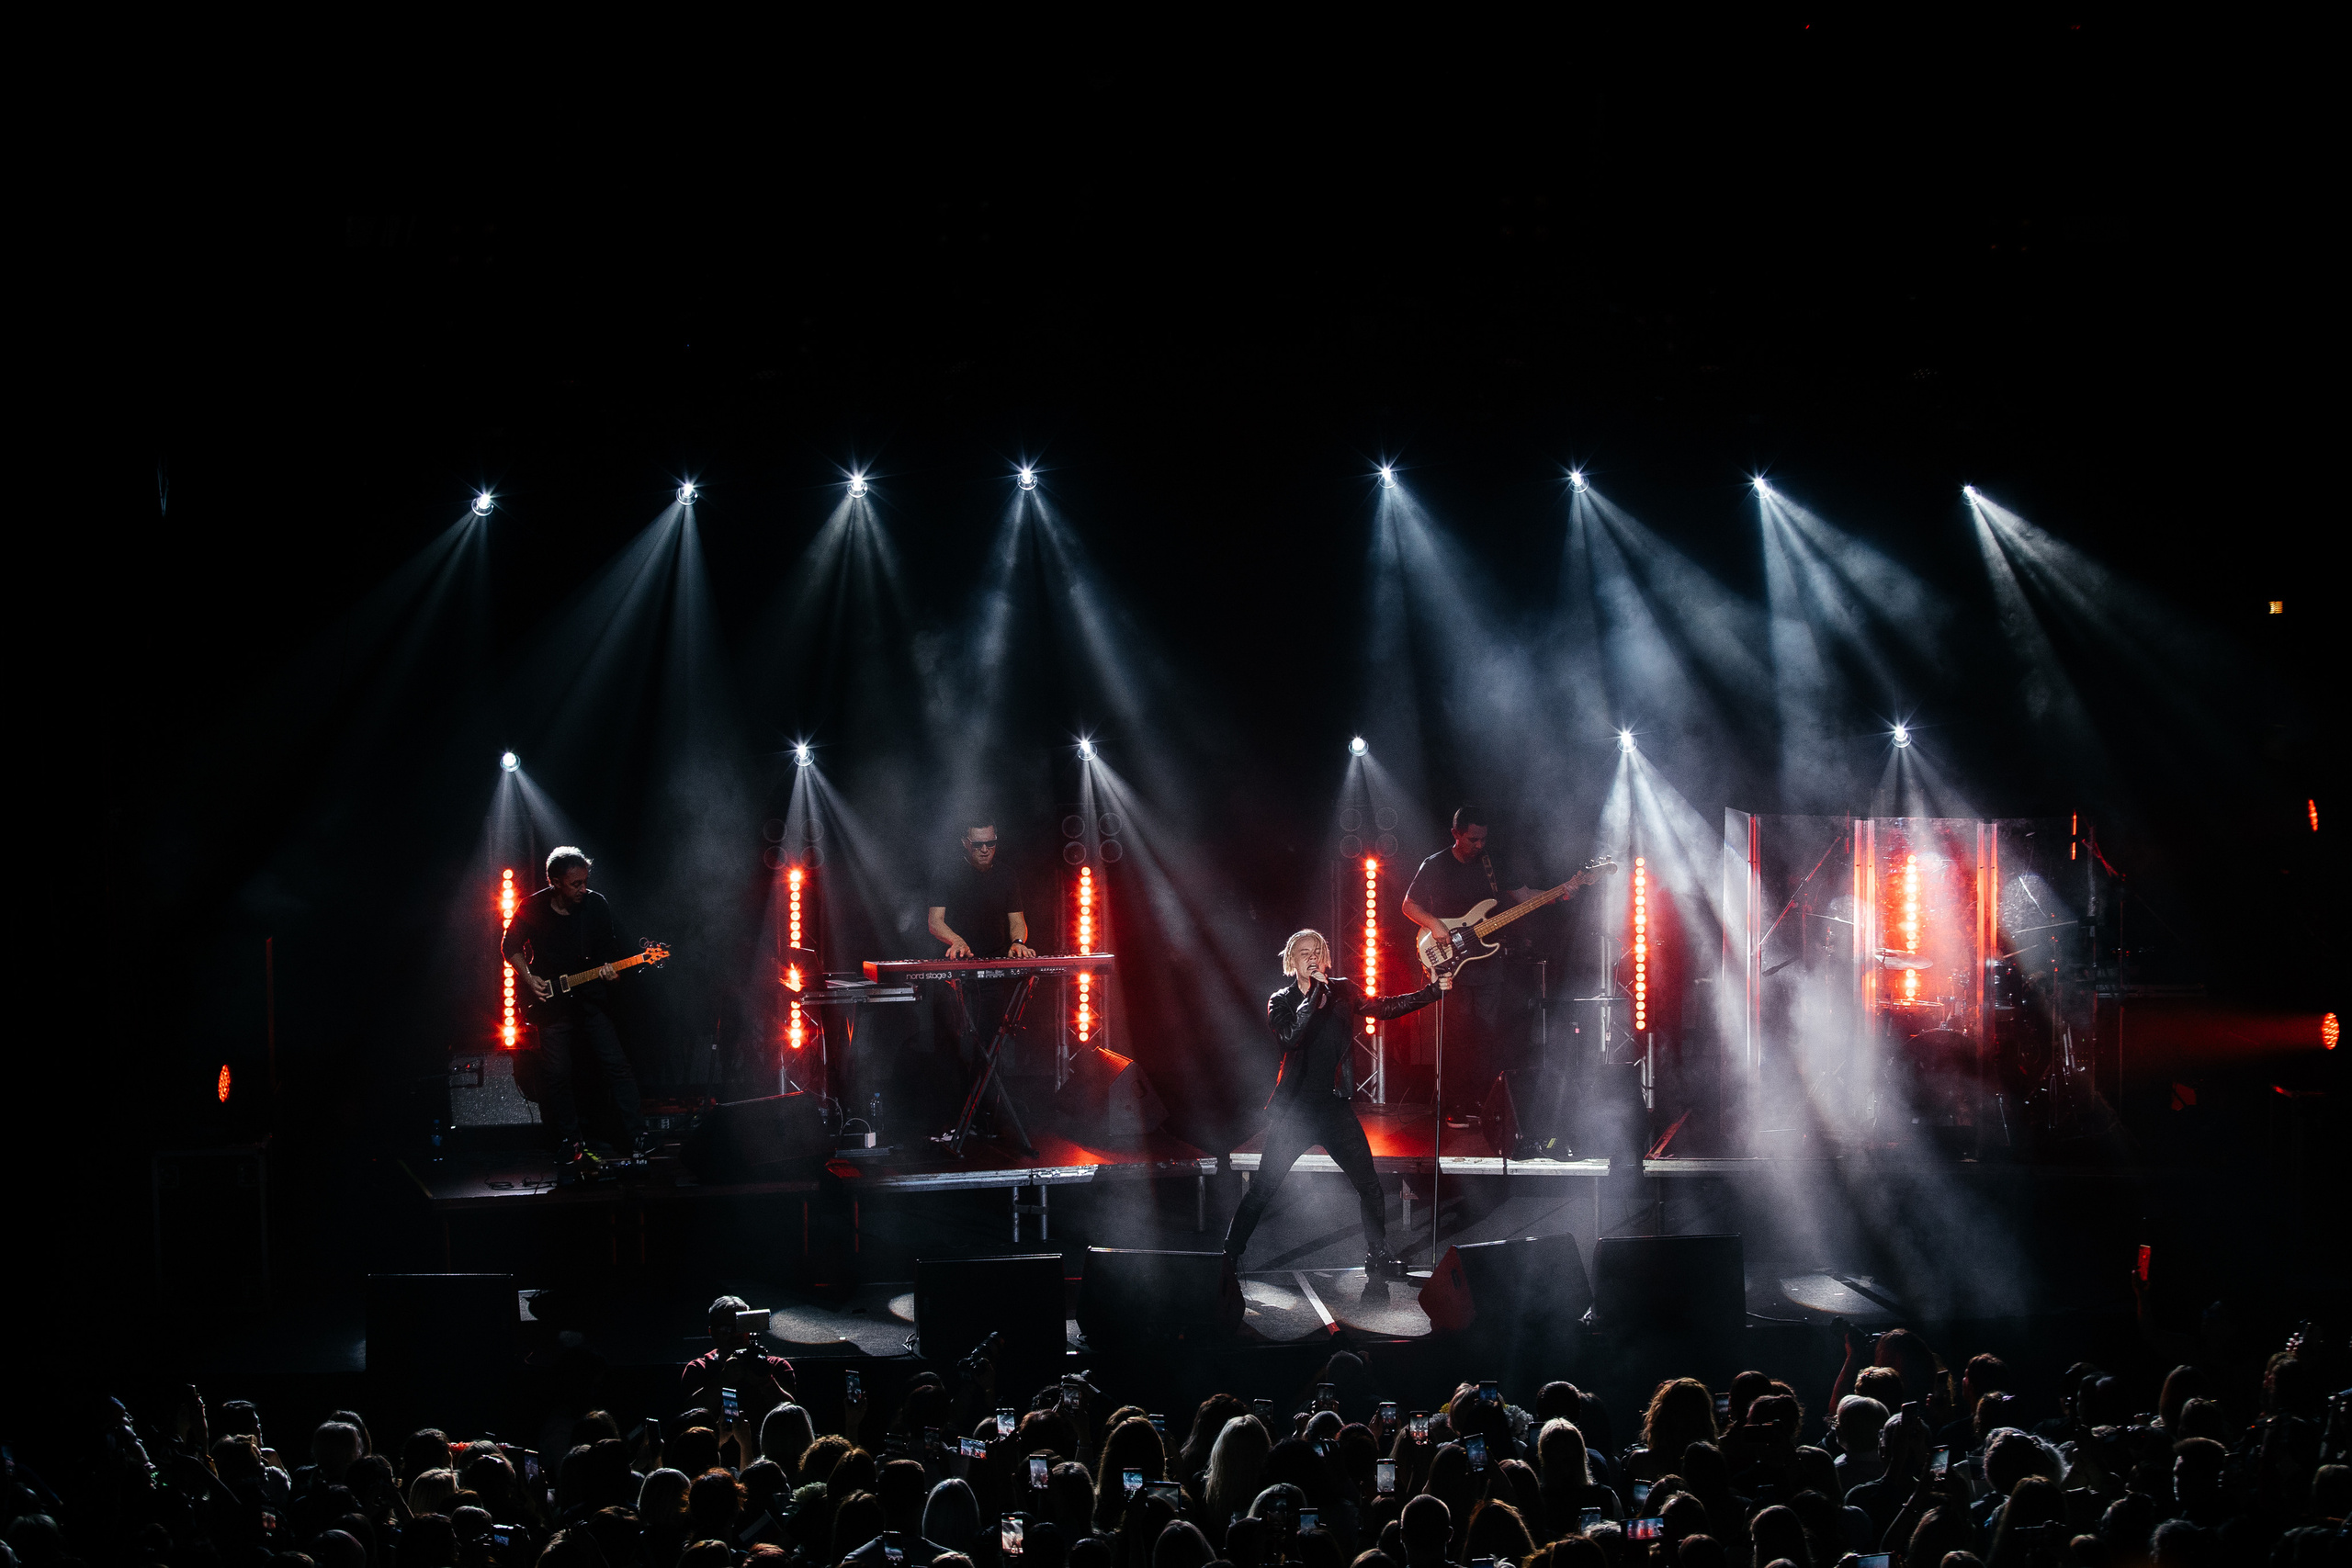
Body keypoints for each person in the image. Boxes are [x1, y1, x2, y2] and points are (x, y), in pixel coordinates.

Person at [1222, 929, 1448, 1278]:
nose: (1311, 956)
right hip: (1295, 1112)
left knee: (1369, 1184)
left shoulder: (1343, 989)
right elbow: (1291, 1038)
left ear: (1325, 958)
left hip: (1333, 1108)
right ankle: (1229, 1256)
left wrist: (1432, 992)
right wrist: (1314, 993)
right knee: (1263, 1189)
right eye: (1303, 953)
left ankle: (1377, 1254)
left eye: (1317, 951)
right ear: (1292, 962)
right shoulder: (1279, 1001)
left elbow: (1385, 1007)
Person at [502, 845, 650, 1176]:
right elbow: (509, 946)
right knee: (557, 1075)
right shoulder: (532, 907)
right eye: (575, 884)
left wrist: (613, 973)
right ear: (555, 882)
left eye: (585, 881)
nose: (583, 889)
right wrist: (529, 978)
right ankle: (571, 1142)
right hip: (550, 1003)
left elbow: (610, 954)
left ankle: (639, 1135)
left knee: (617, 1065)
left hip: (589, 997)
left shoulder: (596, 905)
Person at [1401, 806, 1548, 1106]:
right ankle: (1454, 1103)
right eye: (1472, 840)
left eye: (1483, 839)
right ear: (1456, 834)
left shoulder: (1493, 863)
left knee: (1487, 1032)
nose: (1479, 845)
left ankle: (1483, 1101)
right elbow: (1408, 905)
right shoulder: (1435, 864)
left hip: (1486, 961)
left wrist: (1562, 890)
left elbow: (1524, 896)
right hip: (1450, 961)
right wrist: (1435, 924)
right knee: (1456, 1033)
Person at [681, 1295, 797, 1438]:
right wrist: (722, 1380)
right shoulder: (699, 1369)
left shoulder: (775, 1366)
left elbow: (793, 1416)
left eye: (741, 1326)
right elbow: (688, 1417)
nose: (735, 1334)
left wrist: (767, 1382)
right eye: (726, 1329)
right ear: (712, 1332)